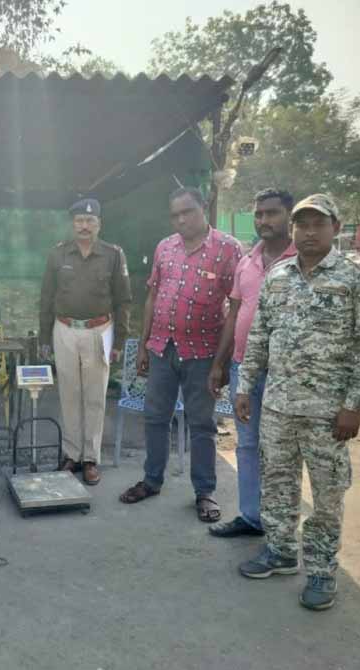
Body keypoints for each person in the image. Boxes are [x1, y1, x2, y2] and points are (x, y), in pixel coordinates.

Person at [235, 194, 360, 611]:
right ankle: (281, 552)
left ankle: (321, 571)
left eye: (318, 224)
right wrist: (245, 387)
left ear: (336, 228)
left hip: (328, 414)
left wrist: (355, 404)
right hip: (279, 407)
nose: (309, 232)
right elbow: (260, 336)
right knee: (278, 486)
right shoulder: (279, 275)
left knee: (326, 497)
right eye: (302, 225)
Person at [119, 187, 242, 522]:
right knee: (155, 417)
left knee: (201, 423)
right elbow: (152, 297)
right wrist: (144, 345)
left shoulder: (228, 248)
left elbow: (235, 307)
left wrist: (221, 362)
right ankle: (152, 480)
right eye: (175, 214)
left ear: (204, 207)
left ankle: (205, 492)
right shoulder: (165, 246)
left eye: (188, 211)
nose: (181, 219)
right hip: (162, 348)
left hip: (202, 353)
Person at [207, 189, 297, 538]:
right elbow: (233, 315)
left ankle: (280, 527)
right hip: (244, 369)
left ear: (289, 216)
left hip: (284, 374)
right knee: (246, 445)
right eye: (259, 214)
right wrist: (220, 364)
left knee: (281, 450)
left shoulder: (301, 260)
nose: (264, 221)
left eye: (272, 213)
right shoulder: (247, 260)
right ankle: (251, 516)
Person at [39, 197, 131, 485]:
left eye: (90, 221)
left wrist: (119, 341)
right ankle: (71, 454)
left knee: (94, 396)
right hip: (64, 330)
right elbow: (46, 297)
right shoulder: (57, 255)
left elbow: (123, 300)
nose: (84, 226)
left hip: (98, 331)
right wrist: (44, 337)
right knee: (68, 395)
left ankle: (90, 458)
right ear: (72, 224)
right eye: (79, 221)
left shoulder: (113, 255)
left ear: (99, 224)